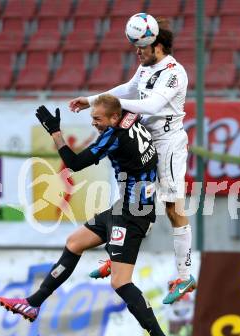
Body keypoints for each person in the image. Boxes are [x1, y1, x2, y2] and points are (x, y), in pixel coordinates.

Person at [0, 94, 178, 336]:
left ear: (114, 119)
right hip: (127, 207)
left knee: (120, 282)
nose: (94, 124)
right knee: (74, 242)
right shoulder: (131, 116)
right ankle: (33, 304)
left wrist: (55, 132)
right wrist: (92, 101)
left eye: (97, 119)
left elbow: (73, 163)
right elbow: (118, 97)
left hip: (132, 215)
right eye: (93, 118)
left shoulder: (114, 136)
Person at [69, 17, 196, 305]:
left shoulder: (175, 73)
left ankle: (185, 275)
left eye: (142, 48)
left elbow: (151, 105)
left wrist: (110, 106)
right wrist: (91, 100)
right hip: (143, 139)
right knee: (133, 201)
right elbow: (127, 88)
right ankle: (117, 254)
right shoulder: (146, 66)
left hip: (167, 144)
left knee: (174, 208)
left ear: (158, 45)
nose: (137, 53)